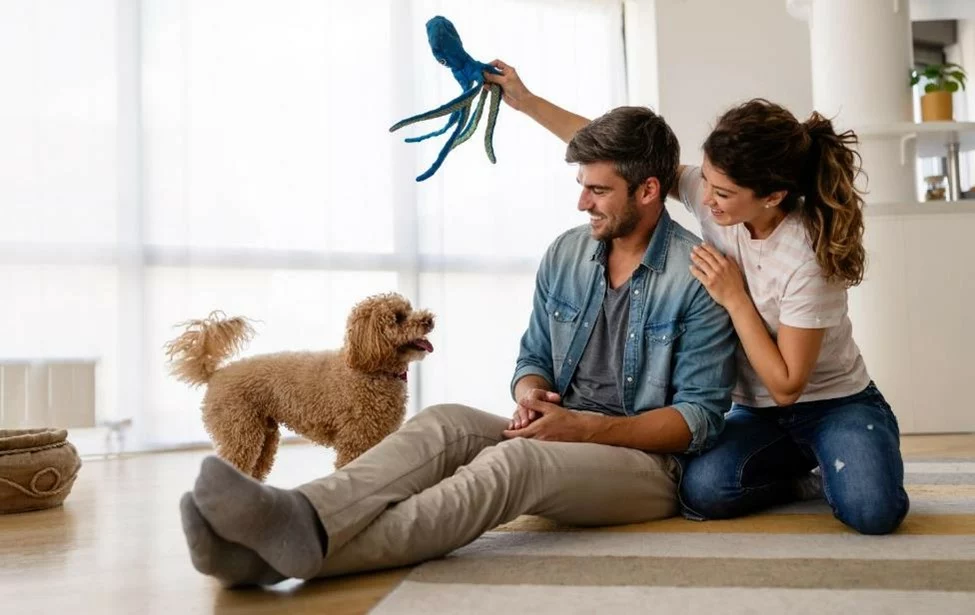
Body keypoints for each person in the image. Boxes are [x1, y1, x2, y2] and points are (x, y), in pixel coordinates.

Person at [178, 106, 738, 587]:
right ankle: (297, 517)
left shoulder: (697, 277)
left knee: (516, 462)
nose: (581, 204)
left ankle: (295, 548)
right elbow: (533, 358)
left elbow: (699, 419)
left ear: (647, 191)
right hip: (559, 429)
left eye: (598, 190)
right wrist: (532, 392)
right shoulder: (567, 253)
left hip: (645, 466)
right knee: (444, 421)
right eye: (581, 186)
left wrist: (585, 429)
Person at [484, 60, 909, 535]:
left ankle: (850, 450)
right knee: (700, 492)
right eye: (705, 179)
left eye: (723, 192)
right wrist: (526, 101)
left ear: (772, 196)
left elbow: (789, 384)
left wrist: (735, 298)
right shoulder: (715, 197)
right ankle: (794, 477)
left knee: (872, 511)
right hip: (755, 411)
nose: (705, 198)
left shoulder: (807, 252)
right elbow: (627, 161)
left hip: (831, 402)